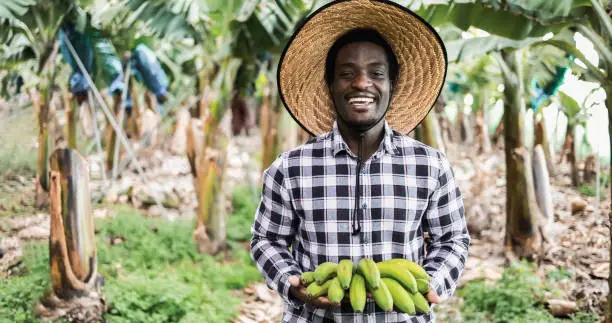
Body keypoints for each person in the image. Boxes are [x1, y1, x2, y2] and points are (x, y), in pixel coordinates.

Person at [250, 1, 470, 322]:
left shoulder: (430, 166)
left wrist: (430, 282)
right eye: (346, 73)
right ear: (330, 86)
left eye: (376, 73)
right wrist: (291, 281)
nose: (361, 83)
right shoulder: (290, 168)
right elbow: (266, 239)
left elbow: (453, 239)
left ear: (392, 85)